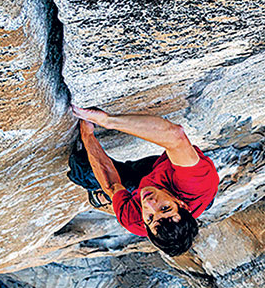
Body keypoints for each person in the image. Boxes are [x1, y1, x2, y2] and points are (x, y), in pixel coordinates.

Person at [68, 106, 219, 256]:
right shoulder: (196, 183)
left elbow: (111, 185)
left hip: (153, 184)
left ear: (146, 226)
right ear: (182, 204)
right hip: (165, 173)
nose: (150, 203)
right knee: (145, 175)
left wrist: (87, 135)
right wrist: (107, 120)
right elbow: (175, 136)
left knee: (83, 168)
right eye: (165, 208)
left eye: (150, 217)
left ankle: (105, 200)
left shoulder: (135, 221)